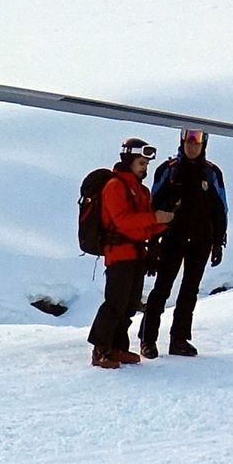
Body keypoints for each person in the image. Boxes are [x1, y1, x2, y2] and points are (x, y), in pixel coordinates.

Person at [141, 130, 227, 357]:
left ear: (204, 143)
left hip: (201, 241)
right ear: (182, 141)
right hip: (171, 239)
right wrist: (151, 244)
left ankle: (179, 339)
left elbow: (221, 209)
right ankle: (147, 340)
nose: (192, 145)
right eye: (188, 139)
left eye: (197, 140)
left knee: (190, 291)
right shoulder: (168, 170)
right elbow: (153, 206)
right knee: (161, 289)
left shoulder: (211, 172)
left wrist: (218, 242)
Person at [80, 140, 164, 368]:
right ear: (129, 160)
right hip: (118, 254)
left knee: (128, 305)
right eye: (141, 162)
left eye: (146, 163)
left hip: (137, 254)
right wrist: (157, 219)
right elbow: (123, 222)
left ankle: (117, 347)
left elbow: (143, 226)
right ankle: (100, 350)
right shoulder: (115, 186)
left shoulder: (142, 191)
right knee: (115, 304)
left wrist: (165, 222)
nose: (144, 167)